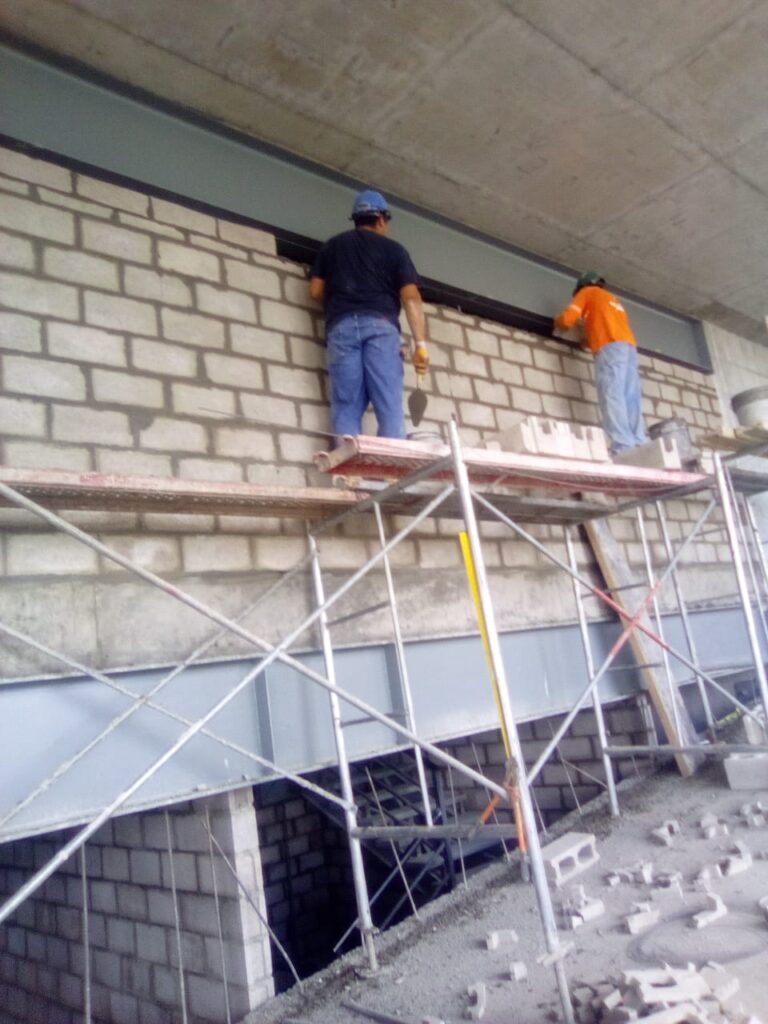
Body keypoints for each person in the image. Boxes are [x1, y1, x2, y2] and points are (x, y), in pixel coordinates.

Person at [309, 189, 429, 439]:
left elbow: (315, 291)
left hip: (341, 328)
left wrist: (342, 305)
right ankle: (392, 460)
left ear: (356, 219)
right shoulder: (395, 251)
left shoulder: (332, 247)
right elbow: (411, 298)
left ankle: (348, 463)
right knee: (388, 403)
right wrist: (420, 344)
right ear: (382, 219)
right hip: (380, 327)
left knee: (346, 405)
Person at [554, 271, 647, 455]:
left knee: (611, 394)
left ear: (582, 286)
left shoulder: (587, 293)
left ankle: (622, 445)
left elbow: (568, 319)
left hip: (610, 348)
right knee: (630, 396)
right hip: (629, 348)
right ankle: (639, 442)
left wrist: (557, 322)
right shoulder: (612, 299)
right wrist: (587, 341)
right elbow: (604, 325)